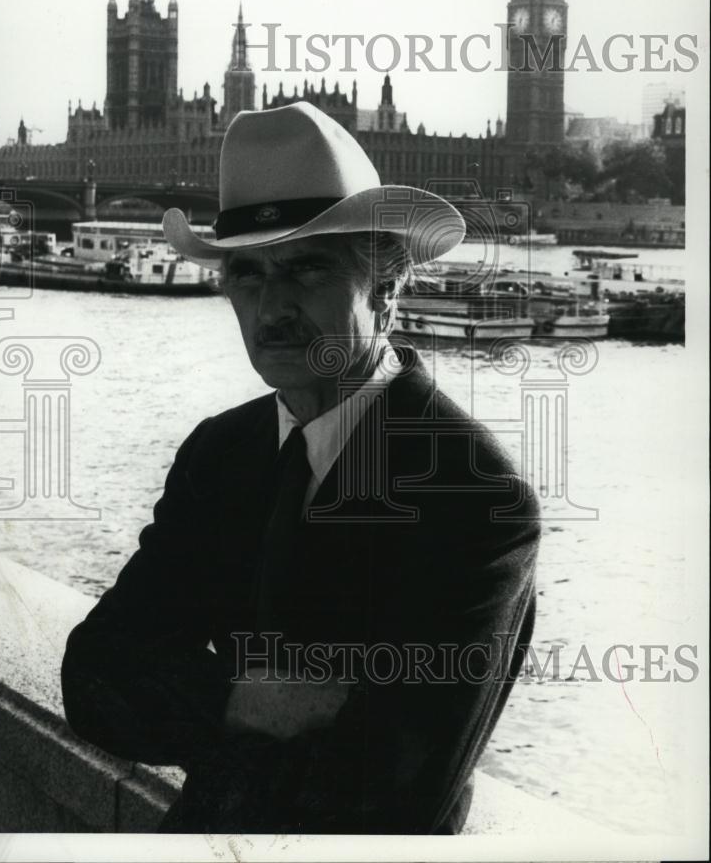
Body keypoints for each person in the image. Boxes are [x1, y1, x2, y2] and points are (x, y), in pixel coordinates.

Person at [61, 102, 540, 835]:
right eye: (248, 276)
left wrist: (192, 702)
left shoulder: (473, 492)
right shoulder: (220, 453)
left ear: (387, 288)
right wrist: (254, 699)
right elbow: (93, 679)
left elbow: (395, 781)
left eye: (307, 270)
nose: (272, 307)